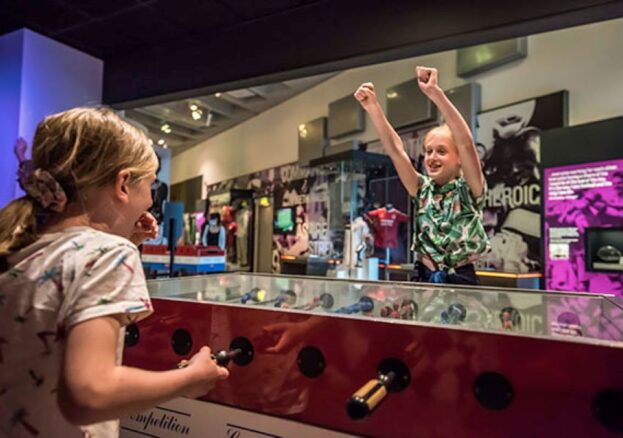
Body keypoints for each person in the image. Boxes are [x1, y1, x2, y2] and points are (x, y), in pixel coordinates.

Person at [0, 107, 229, 437]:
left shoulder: (18, 247)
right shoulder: (109, 254)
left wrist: (126, 239)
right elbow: (90, 393)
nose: (150, 200)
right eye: (151, 185)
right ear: (123, 184)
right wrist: (190, 379)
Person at [354, 66, 490, 285]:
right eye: (428, 151)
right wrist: (373, 107)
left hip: (460, 280)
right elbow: (396, 150)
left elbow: (465, 142)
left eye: (442, 151)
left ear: (458, 159)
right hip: (424, 278)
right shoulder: (421, 188)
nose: (432, 157)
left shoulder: (470, 189)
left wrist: (435, 93)